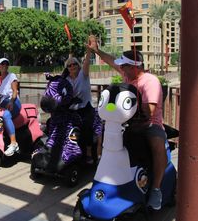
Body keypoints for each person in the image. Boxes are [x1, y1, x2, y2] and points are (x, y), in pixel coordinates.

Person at [90, 44, 167, 211]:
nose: (121, 69)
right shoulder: (128, 76)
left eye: (124, 66)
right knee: (104, 137)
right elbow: (111, 61)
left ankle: (156, 189)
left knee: (157, 145)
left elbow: (150, 111)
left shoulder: (150, 81)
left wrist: (129, 104)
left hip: (149, 124)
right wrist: (96, 50)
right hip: (127, 123)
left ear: (134, 66)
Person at [62, 35, 103, 164]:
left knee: (86, 127)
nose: (72, 66)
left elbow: (86, 63)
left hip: (85, 108)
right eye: (69, 65)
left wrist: (89, 50)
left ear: (78, 66)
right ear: (67, 68)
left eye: (74, 64)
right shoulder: (66, 80)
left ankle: (90, 152)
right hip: (72, 109)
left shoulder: (83, 75)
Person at [0, 58, 22, 156]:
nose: (4, 66)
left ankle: (13, 143)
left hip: (14, 102)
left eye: (6, 64)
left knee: (6, 114)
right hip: (2, 103)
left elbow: (15, 91)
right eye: (2, 64)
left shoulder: (12, 76)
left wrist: (11, 101)